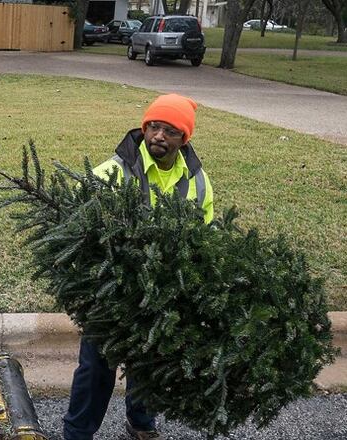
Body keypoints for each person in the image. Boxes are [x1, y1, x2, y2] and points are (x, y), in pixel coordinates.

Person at [63, 93, 214, 440]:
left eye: (170, 131)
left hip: (162, 290)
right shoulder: (112, 172)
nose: (159, 136)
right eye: (154, 127)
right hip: (111, 291)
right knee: (97, 367)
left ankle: (141, 424)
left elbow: (205, 232)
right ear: (144, 129)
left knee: (149, 361)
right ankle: (77, 433)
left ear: (184, 138)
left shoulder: (199, 181)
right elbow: (74, 221)